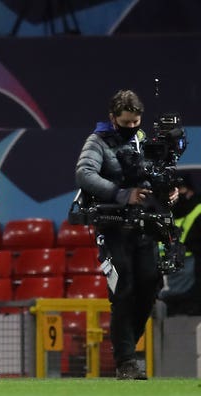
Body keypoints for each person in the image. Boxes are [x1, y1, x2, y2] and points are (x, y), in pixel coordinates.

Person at [75, 89, 179, 380]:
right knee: (123, 290)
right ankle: (126, 361)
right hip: (112, 227)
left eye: (136, 122)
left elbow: (152, 172)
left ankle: (126, 352)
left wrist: (166, 189)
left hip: (144, 225)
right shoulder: (97, 141)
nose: (132, 127)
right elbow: (84, 174)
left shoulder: (142, 139)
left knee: (149, 285)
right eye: (126, 122)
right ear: (113, 118)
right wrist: (122, 193)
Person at [160, 174, 201, 315]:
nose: (176, 194)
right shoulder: (164, 214)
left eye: (181, 189)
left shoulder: (198, 211)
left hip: (192, 293)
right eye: (172, 191)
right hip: (166, 287)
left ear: (190, 191)